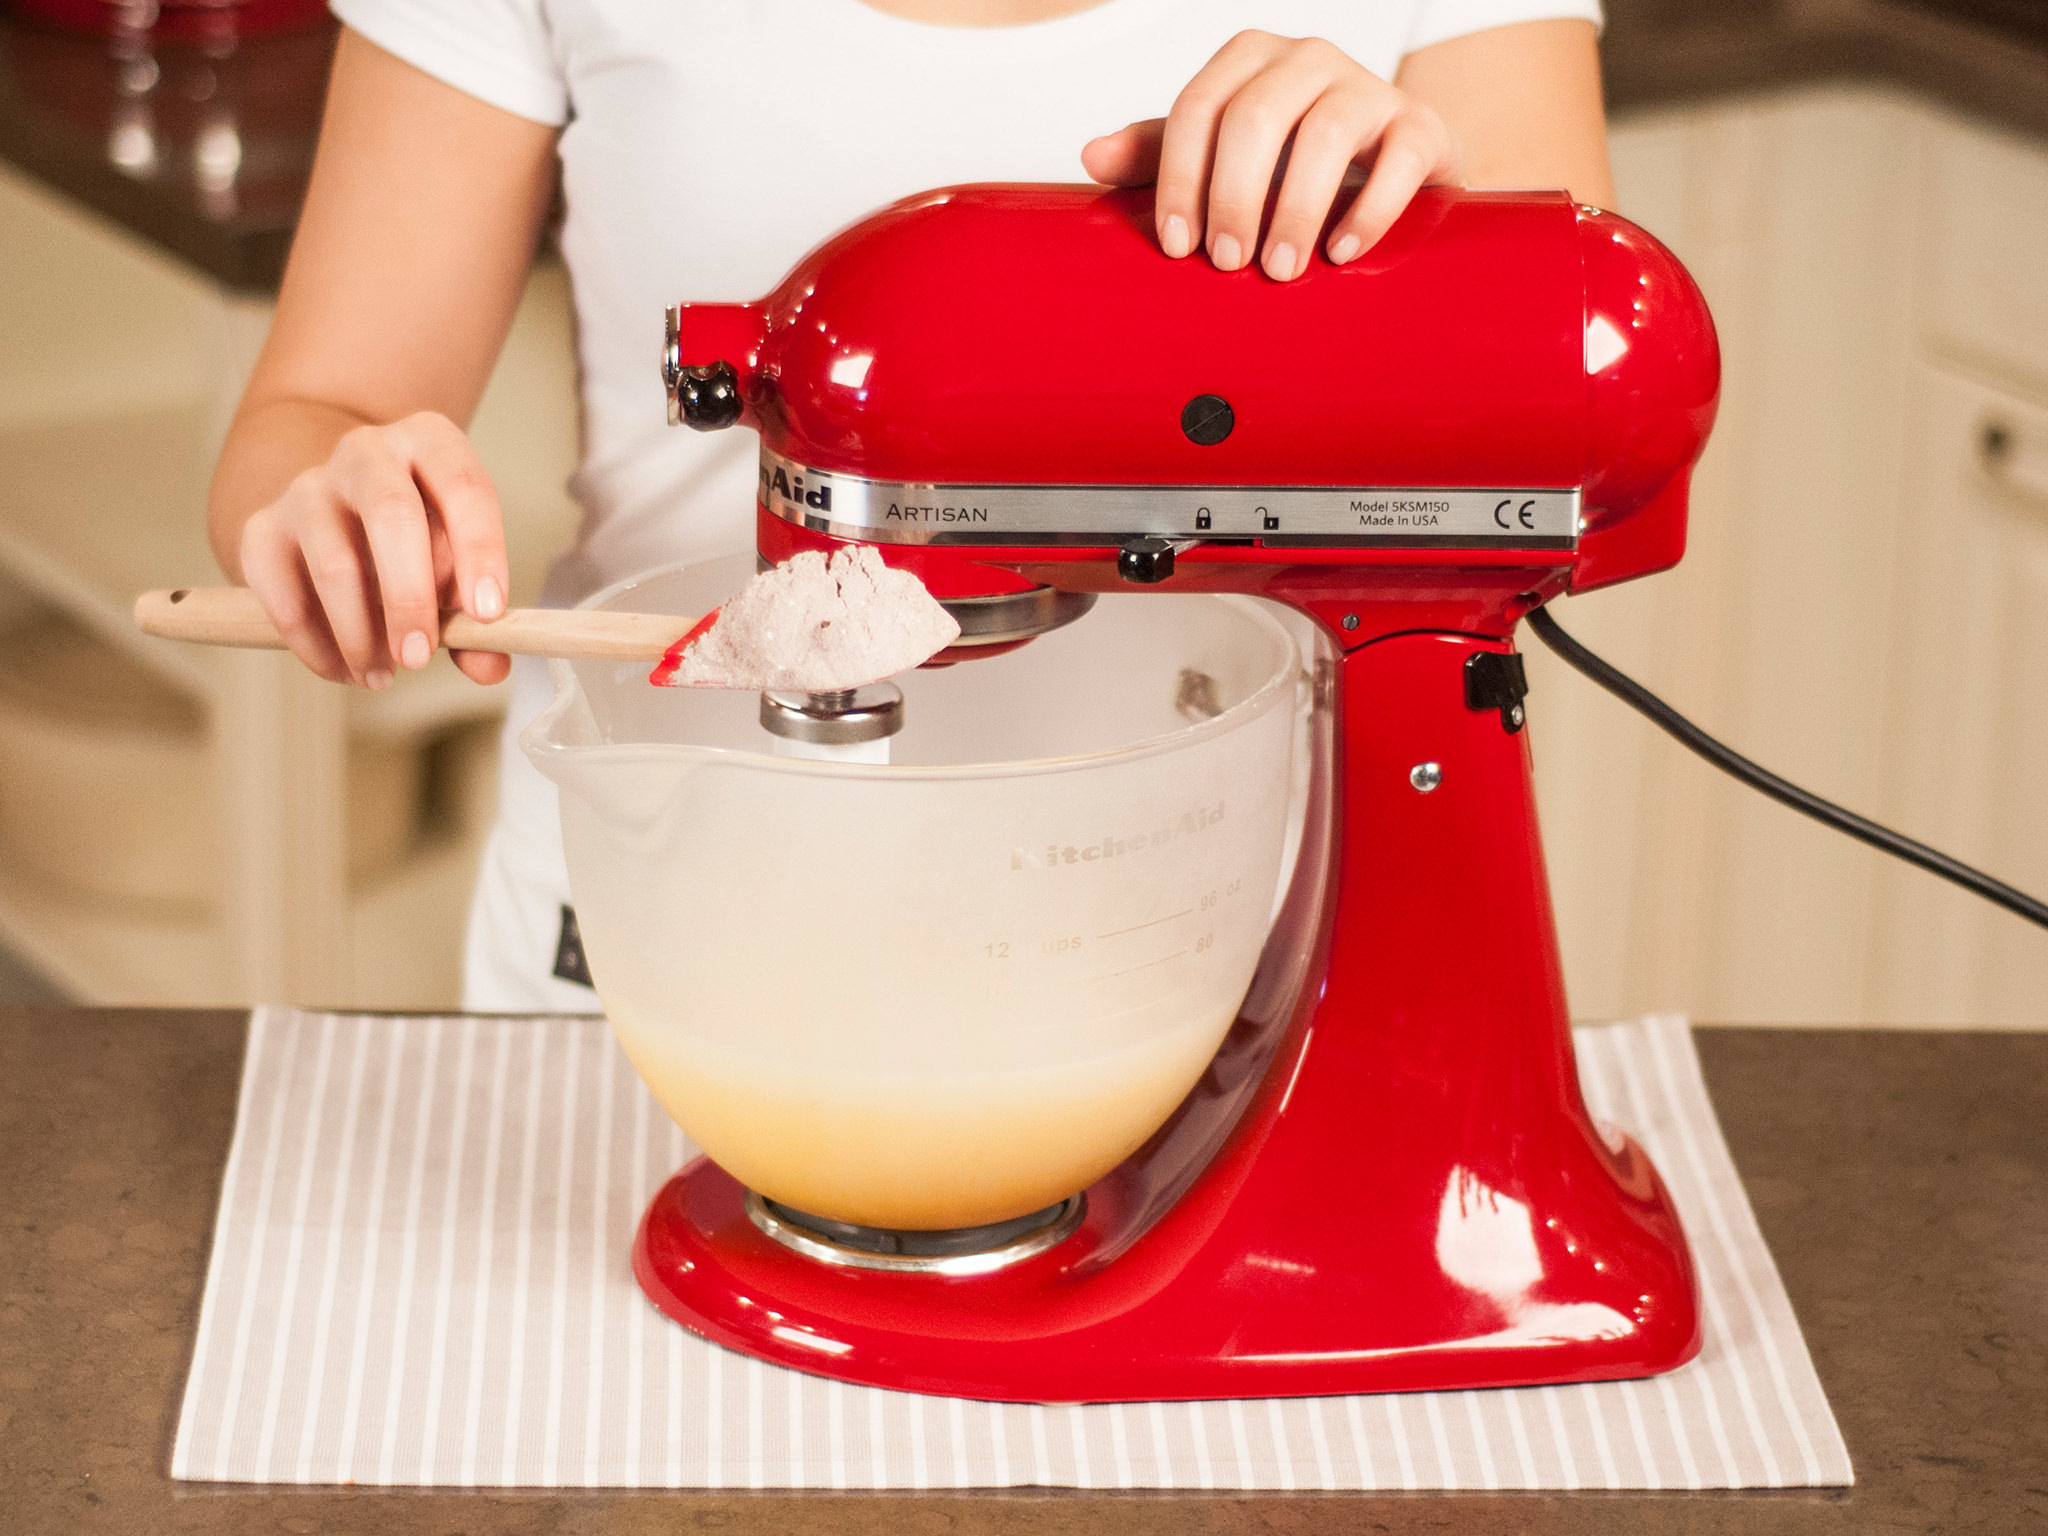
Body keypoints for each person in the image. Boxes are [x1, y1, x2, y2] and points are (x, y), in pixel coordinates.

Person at [206, 0, 1615, 1010]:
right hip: (666, 931)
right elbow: (313, 415)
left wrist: (1434, 237)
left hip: (1211, 942)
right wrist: (336, 500)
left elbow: (1591, 458)